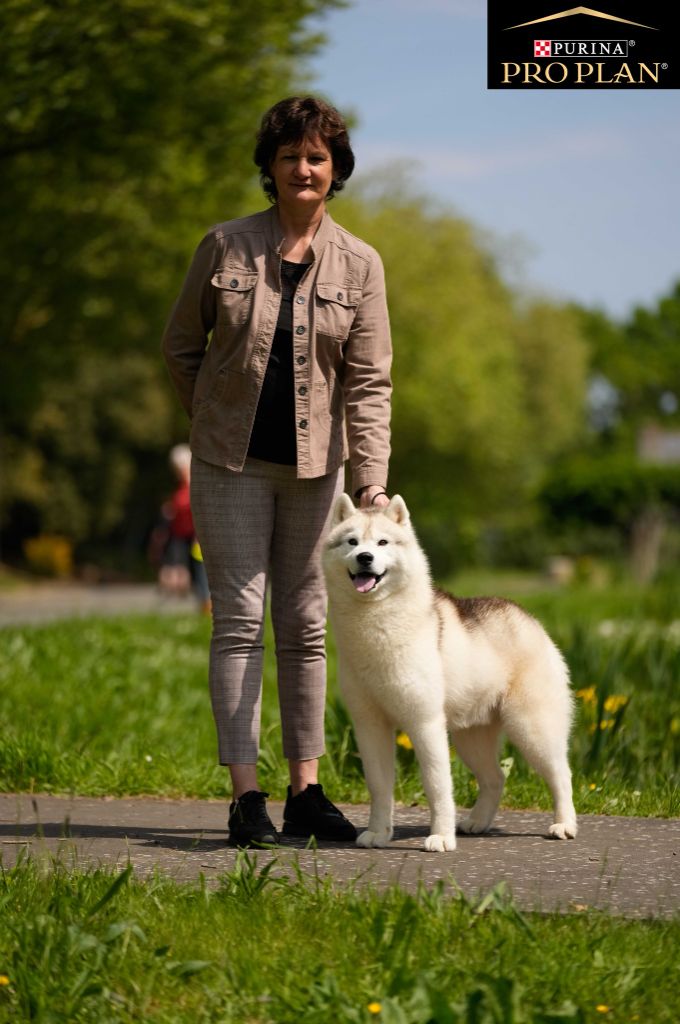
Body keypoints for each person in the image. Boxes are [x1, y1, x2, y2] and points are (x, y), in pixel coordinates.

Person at [161, 96, 392, 847]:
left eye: (318, 157)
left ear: (335, 171)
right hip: (229, 465)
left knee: (305, 624)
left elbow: (369, 382)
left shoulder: (362, 264)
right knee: (237, 621)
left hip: (316, 470)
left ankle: (306, 792)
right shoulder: (224, 246)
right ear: (269, 166)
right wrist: (211, 417)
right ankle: (245, 798)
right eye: (290, 155)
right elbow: (180, 345)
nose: (304, 168)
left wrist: (371, 481)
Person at [155, 444, 211, 614]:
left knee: (200, 571)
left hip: (196, 536)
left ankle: (207, 605)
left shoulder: (196, 484)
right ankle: (202, 605)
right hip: (180, 536)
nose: (178, 471)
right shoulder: (181, 486)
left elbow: (199, 509)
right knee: (192, 573)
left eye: (180, 467)